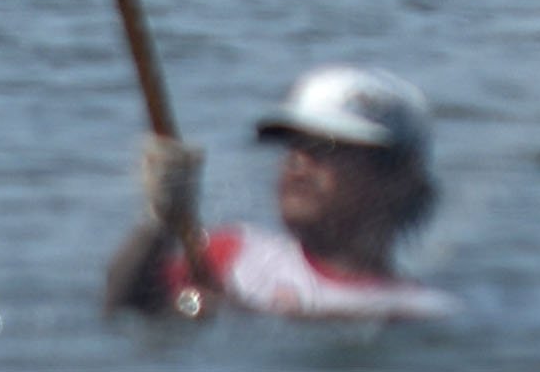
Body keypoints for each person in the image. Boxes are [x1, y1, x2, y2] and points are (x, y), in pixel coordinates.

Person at [106, 64, 453, 322]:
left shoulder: (419, 312)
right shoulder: (228, 255)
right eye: (294, 146)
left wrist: (242, 313)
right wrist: (158, 224)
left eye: (327, 148)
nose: (298, 163)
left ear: (394, 180)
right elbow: (122, 308)